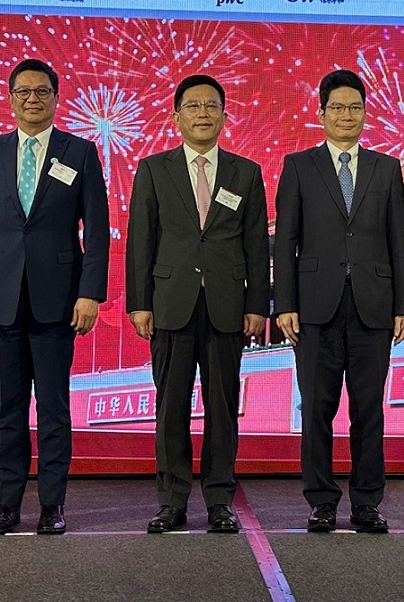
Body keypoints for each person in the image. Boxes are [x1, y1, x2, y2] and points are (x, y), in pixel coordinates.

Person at [0, 58, 109, 535]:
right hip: (1, 298)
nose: (33, 99)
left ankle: (52, 505)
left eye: (42, 91)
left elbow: (96, 232)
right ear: (11, 98)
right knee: (10, 408)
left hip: (58, 300)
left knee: (55, 409)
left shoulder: (80, 152)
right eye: (24, 92)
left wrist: (90, 294)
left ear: (56, 98)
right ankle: (5, 505)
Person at [273, 69, 404, 534]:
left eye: (355, 107)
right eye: (337, 107)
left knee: (368, 409)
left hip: (373, 306)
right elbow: (286, 240)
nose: (347, 115)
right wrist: (285, 302)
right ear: (321, 113)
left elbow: (398, 241)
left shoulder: (386, 168)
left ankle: (367, 502)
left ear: (365, 114)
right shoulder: (299, 166)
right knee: (316, 408)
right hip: (315, 306)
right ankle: (321, 501)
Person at [127, 74, 268, 534]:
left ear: (225, 116)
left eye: (211, 106)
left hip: (227, 305)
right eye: (193, 106)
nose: (203, 113)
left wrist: (257, 303)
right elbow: (141, 241)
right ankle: (171, 501)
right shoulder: (154, 169)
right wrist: (140, 303)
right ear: (176, 117)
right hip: (171, 303)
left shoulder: (246, 172)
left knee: (223, 409)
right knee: (170, 407)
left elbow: (256, 246)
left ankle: (220, 501)